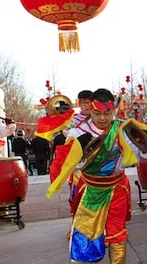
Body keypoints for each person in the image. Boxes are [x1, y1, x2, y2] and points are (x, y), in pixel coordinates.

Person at [56, 88, 147, 264]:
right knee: (87, 236)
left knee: (117, 234)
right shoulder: (77, 132)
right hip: (90, 189)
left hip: (116, 189)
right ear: (90, 110)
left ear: (113, 110)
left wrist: (146, 143)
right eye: (97, 114)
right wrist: (80, 154)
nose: (102, 119)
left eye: (107, 114)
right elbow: (71, 165)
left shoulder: (123, 129)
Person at [48, 89, 117, 239]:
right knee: (77, 199)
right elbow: (67, 140)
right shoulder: (74, 121)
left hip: (107, 170)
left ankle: (107, 229)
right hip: (81, 170)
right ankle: (75, 227)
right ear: (79, 104)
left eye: (88, 103)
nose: (86, 106)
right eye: (84, 103)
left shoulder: (111, 122)